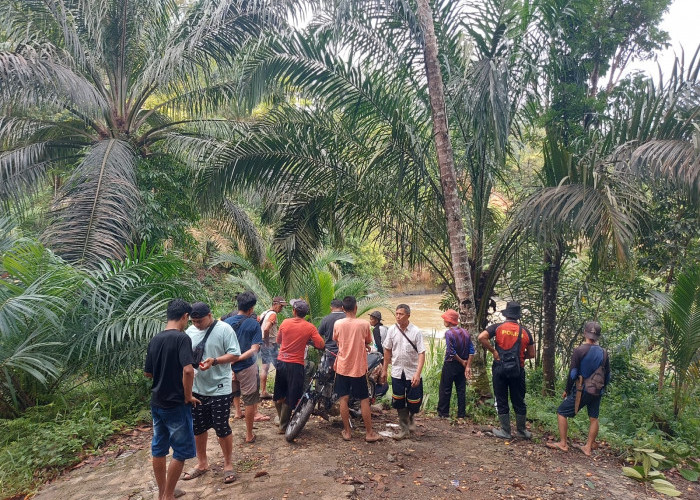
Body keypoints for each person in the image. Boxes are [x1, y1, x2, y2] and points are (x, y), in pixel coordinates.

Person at [144, 299, 199, 500]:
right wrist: (188, 395)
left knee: (159, 448)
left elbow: (148, 374)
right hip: (176, 403)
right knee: (181, 451)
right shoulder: (181, 338)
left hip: (157, 402)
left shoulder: (155, 339)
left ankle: (162, 492)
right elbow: (188, 369)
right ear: (185, 317)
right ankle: (168, 495)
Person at [183, 302, 241, 485]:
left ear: (210, 315)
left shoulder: (225, 329)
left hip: (220, 387)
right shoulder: (189, 333)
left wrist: (215, 361)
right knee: (198, 428)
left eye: (200, 321)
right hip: (197, 388)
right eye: (194, 321)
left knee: (221, 427)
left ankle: (228, 464)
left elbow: (235, 354)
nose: (197, 324)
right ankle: (202, 464)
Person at [547, 321, 611, 456]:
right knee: (594, 418)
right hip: (598, 390)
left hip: (583, 389)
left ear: (584, 334)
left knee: (561, 412)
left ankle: (563, 443)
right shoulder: (604, 353)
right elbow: (607, 375)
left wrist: (568, 390)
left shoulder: (580, 350)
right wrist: (601, 389)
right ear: (598, 336)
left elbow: (573, 374)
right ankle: (588, 447)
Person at [478, 301, 535, 439]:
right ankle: (521, 431)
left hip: (500, 368)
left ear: (506, 315)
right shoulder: (525, 332)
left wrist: (493, 351)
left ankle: (505, 431)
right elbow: (532, 354)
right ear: (517, 316)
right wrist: (519, 357)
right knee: (519, 400)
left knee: (501, 398)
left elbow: (481, 337)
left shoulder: (497, 328)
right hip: (517, 370)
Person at [332, 296, 383, 442]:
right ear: (356, 308)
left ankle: (347, 432)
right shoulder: (364, 324)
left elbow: (336, 340)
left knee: (343, 399)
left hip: (342, 366)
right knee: (364, 399)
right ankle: (369, 433)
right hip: (358, 368)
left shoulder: (338, 323)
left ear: (343, 309)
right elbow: (368, 341)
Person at [273, 299, 325, 433]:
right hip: (296, 364)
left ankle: (281, 421)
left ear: (294, 311)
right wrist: (306, 340)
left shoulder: (285, 323)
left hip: (282, 362)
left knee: (279, 392)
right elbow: (320, 344)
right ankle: (283, 426)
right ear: (305, 313)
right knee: (291, 394)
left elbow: (278, 340)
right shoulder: (310, 327)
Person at [224, 291, 269, 445]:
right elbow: (254, 349)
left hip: (226, 368)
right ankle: (249, 434)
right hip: (247, 366)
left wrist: (230, 361)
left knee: (231, 394)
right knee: (250, 399)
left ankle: (231, 422)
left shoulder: (226, 323)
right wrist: (238, 358)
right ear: (251, 308)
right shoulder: (253, 324)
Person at [380, 304, 425, 440]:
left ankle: (411, 417)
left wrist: (417, 373)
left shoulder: (416, 331)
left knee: (414, 401)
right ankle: (404, 428)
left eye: (401, 314)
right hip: (397, 371)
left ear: (408, 316)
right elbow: (387, 350)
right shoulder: (392, 330)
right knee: (398, 400)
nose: (398, 316)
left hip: (412, 371)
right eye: (396, 314)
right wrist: (384, 369)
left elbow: (421, 353)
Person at [436, 309, 474, 419]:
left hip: (451, 364)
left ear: (449, 321)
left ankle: (443, 413)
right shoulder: (466, 332)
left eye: (445, 319)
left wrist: (462, 361)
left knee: (445, 388)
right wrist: (467, 365)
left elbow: (451, 352)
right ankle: (461, 414)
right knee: (461, 389)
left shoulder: (449, 333)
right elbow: (472, 350)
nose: (444, 321)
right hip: (462, 365)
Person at [259, 296, 287, 399]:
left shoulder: (264, 313)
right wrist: (267, 342)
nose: (281, 309)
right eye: (281, 306)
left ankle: (263, 391)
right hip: (270, 344)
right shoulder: (273, 314)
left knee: (265, 367)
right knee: (280, 367)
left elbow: (259, 326)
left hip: (263, 343)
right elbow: (266, 329)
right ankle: (281, 391)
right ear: (275, 304)